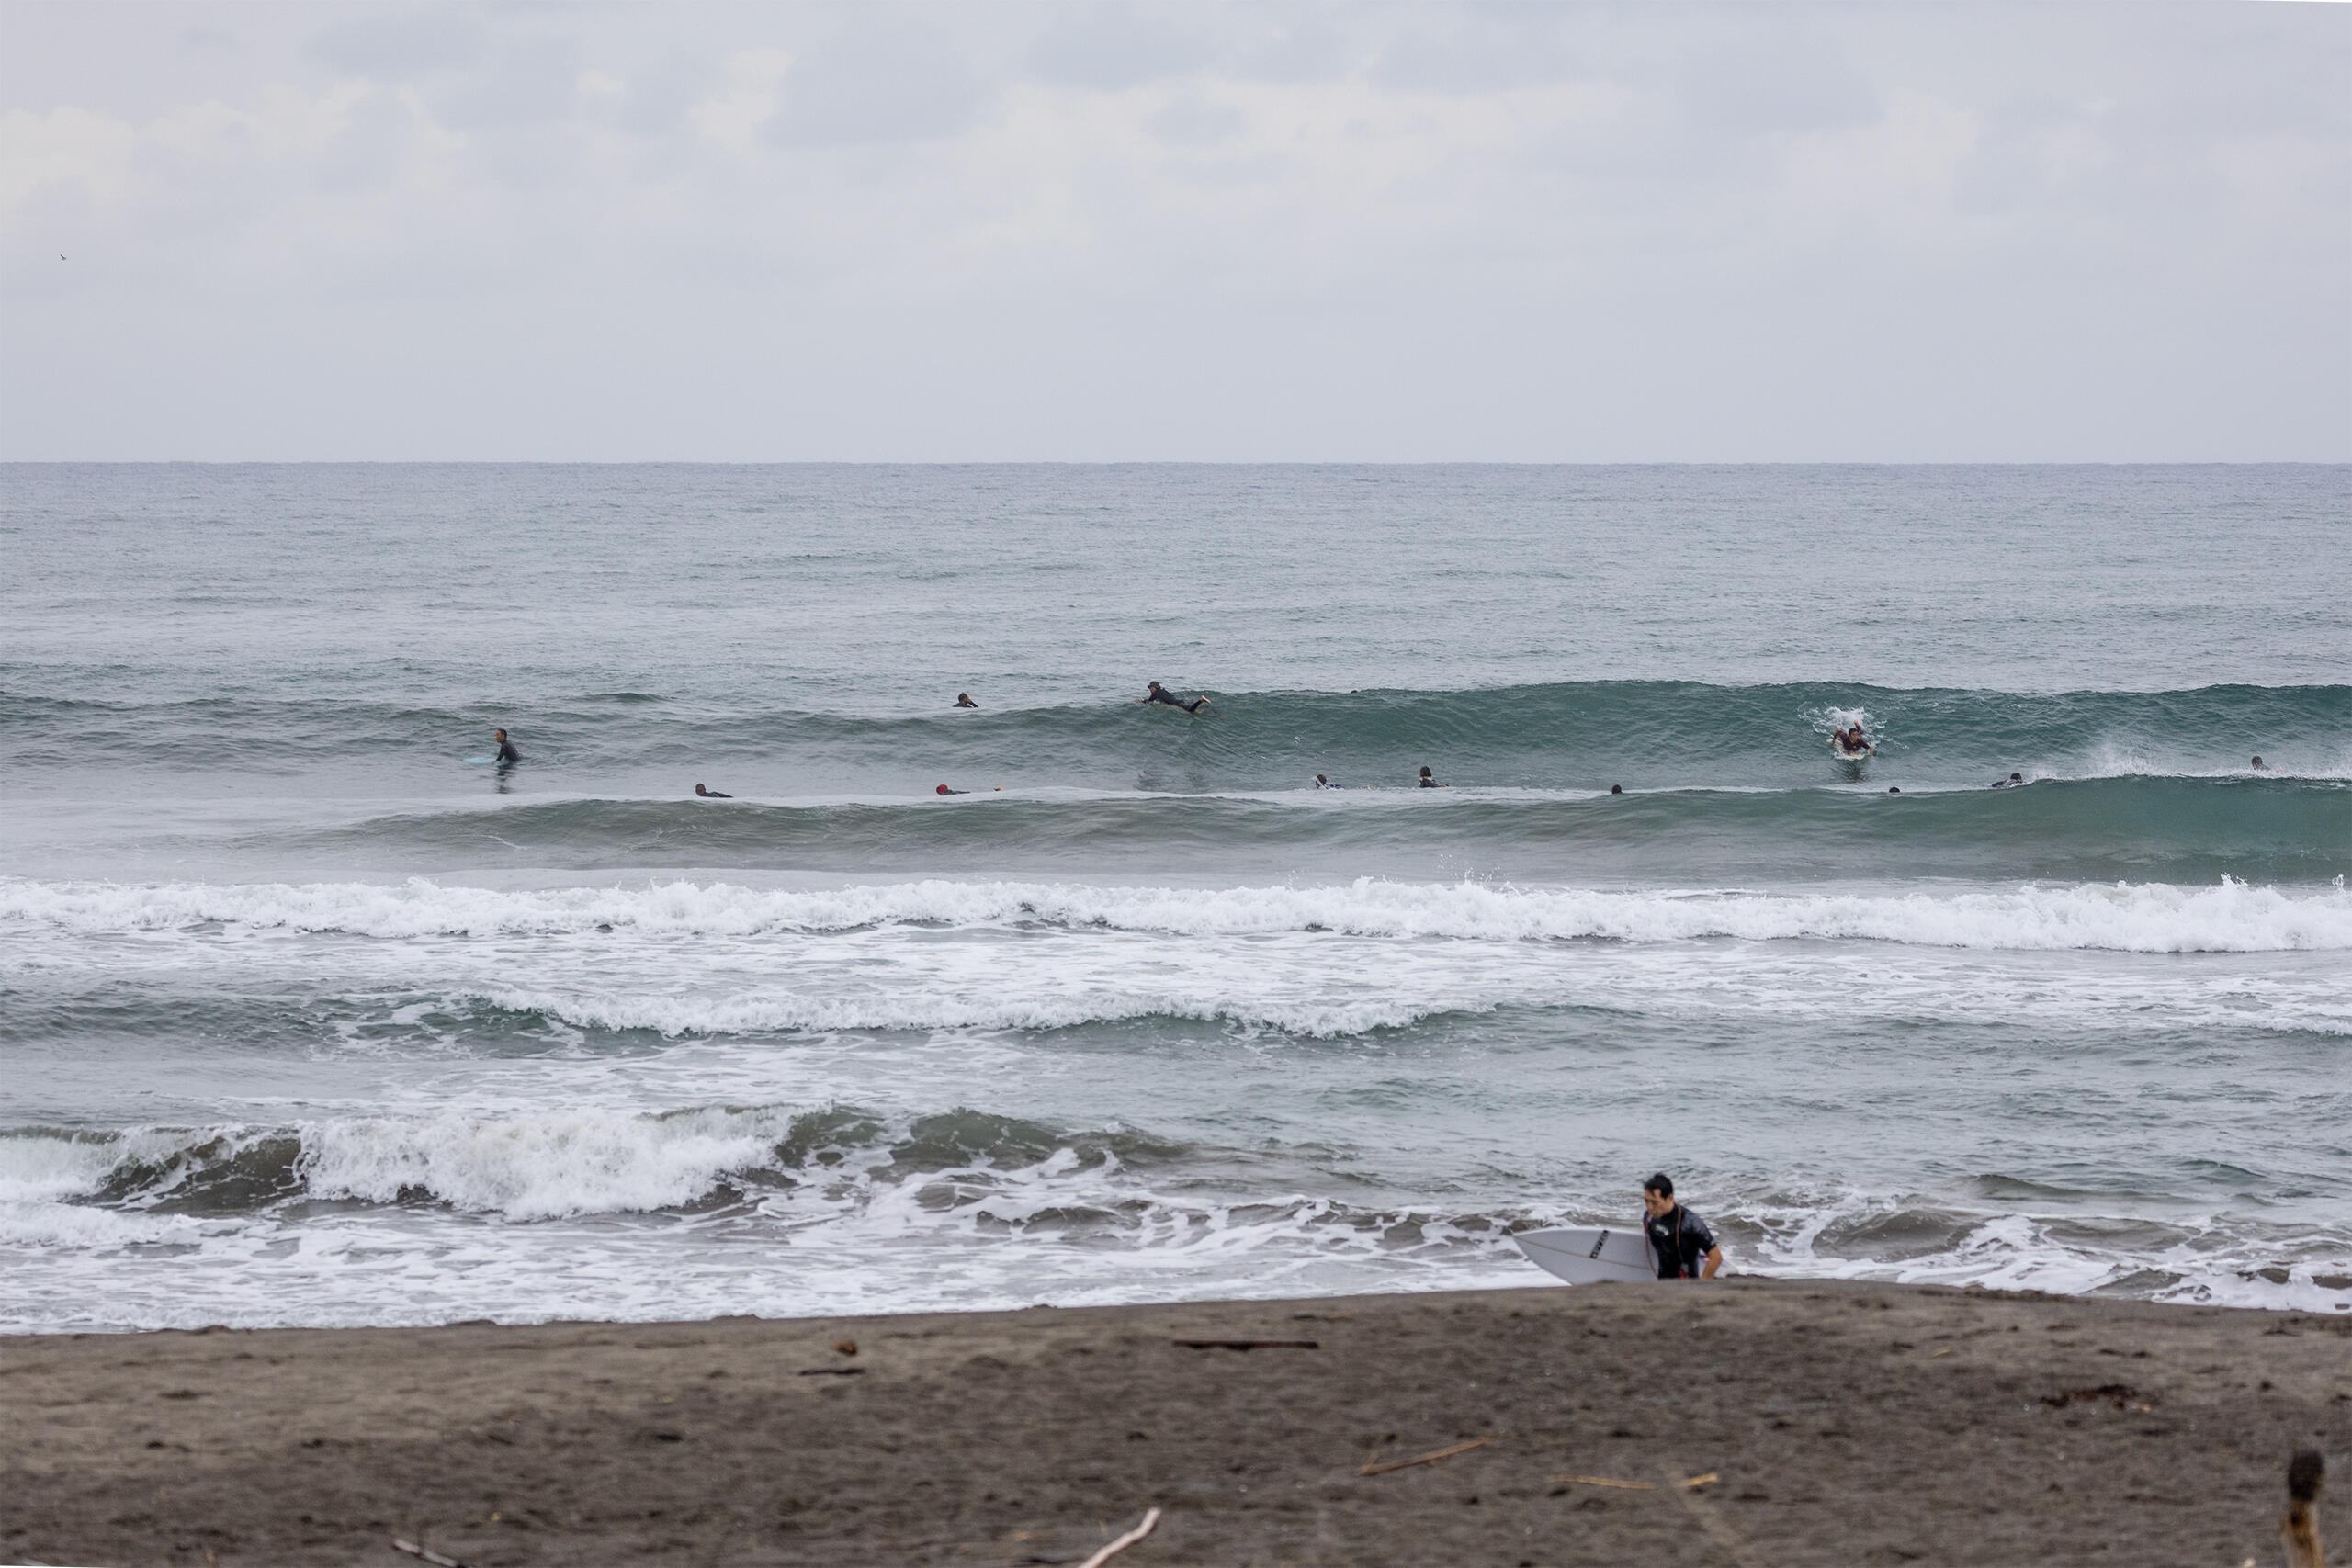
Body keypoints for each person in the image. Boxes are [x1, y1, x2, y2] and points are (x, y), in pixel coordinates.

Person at [1641, 1174, 1722, 1280]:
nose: (1649, 1207)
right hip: (1662, 1286)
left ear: (1670, 1198)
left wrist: (1700, 1286)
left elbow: (1716, 1257)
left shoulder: (1690, 1222)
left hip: (1687, 1287)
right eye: (1647, 1201)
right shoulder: (1649, 1218)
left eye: (1654, 1202)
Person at [1141, 681, 1208, 714]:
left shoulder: (1155, 693)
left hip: (1177, 704)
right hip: (1179, 701)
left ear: (1154, 687)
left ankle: (1201, 700)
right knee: (1195, 709)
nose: (1150, 689)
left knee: (1190, 710)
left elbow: (1148, 702)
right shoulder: (1163, 691)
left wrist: (1140, 700)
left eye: (1150, 687)